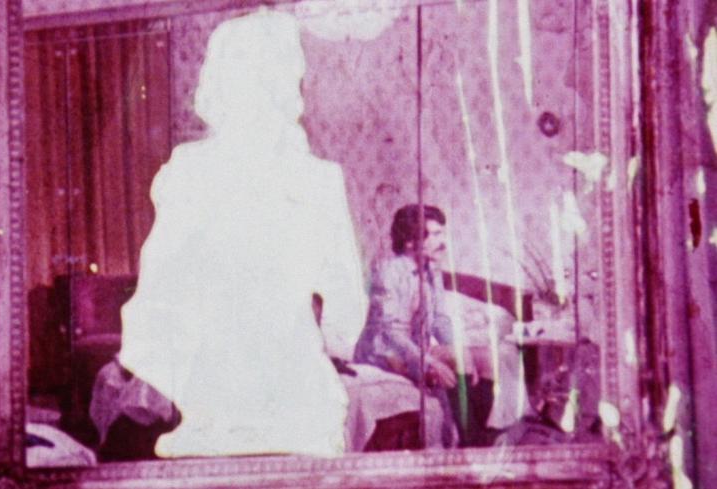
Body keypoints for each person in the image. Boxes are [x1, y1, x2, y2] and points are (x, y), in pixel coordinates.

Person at [116, 10, 368, 458]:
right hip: (217, 383)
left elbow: (345, 296)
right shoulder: (188, 170)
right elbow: (161, 280)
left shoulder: (317, 178)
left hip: (289, 382)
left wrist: (334, 346)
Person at [354, 204, 528, 447]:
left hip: (414, 349)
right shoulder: (388, 272)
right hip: (384, 353)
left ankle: (480, 439)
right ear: (410, 241)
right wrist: (429, 362)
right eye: (434, 235)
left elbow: (440, 320)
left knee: (488, 358)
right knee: (456, 361)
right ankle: (470, 443)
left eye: (441, 233)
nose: (442, 241)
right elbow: (391, 333)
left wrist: (461, 349)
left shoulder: (431, 271)